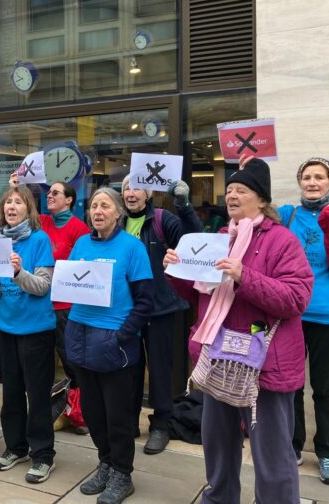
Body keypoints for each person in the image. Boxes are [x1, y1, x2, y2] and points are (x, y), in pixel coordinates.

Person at [163, 158, 313, 504]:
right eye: (228, 190)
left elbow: (296, 299)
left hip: (264, 366)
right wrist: (176, 272)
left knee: (272, 454)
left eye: (241, 191)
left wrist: (246, 276)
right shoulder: (217, 238)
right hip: (219, 359)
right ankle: (219, 498)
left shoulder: (283, 241)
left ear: (262, 200)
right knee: (217, 443)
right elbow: (197, 295)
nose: (231, 196)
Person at [0, 185, 57, 484]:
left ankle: (43, 456)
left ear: (28, 209)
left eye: (18, 202)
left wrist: (18, 272)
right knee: (12, 394)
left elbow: (43, 286)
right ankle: (15, 447)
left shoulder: (40, 240)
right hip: (6, 329)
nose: (11, 207)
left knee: (38, 396)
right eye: (7, 203)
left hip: (36, 331)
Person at [65, 187, 154, 504]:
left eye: (105, 206)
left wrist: (121, 335)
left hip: (113, 342)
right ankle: (105, 462)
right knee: (93, 412)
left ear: (119, 212)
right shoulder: (81, 243)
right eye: (93, 206)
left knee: (117, 416)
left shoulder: (132, 248)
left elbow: (145, 302)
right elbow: (72, 283)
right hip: (81, 336)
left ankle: (122, 473)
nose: (98, 211)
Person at [278, 158, 329, 485]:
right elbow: (251, 219)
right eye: (306, 176)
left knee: (324, 386)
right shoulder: (287, 215)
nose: (312, 182)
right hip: (291, 311)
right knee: (290, 384)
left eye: (319, 177)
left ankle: (327, 453)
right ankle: (292, 447)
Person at [122, 176, 201, 454]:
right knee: (128, 369)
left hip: (161, 308)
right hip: (126, 310)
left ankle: (161, 425)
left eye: (136, 188)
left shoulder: (162, 219)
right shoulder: (117, 222)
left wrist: (184, 205)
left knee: (160, 370)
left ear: (147, 194)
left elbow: (195, 239)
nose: (131, 194)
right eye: (126, 189)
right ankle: (129, 421)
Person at [9, 173, 90, 433]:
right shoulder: (42, 222)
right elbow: (23, 210)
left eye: (56, 193)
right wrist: (16, 188)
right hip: (39, 305)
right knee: (43, 367)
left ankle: (80, 413)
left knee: (71, 361)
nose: (50, 196)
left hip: (66, 306)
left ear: (69, 200)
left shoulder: (79, 228)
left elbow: (84, 266)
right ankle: (54, 411)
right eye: (49, 193)